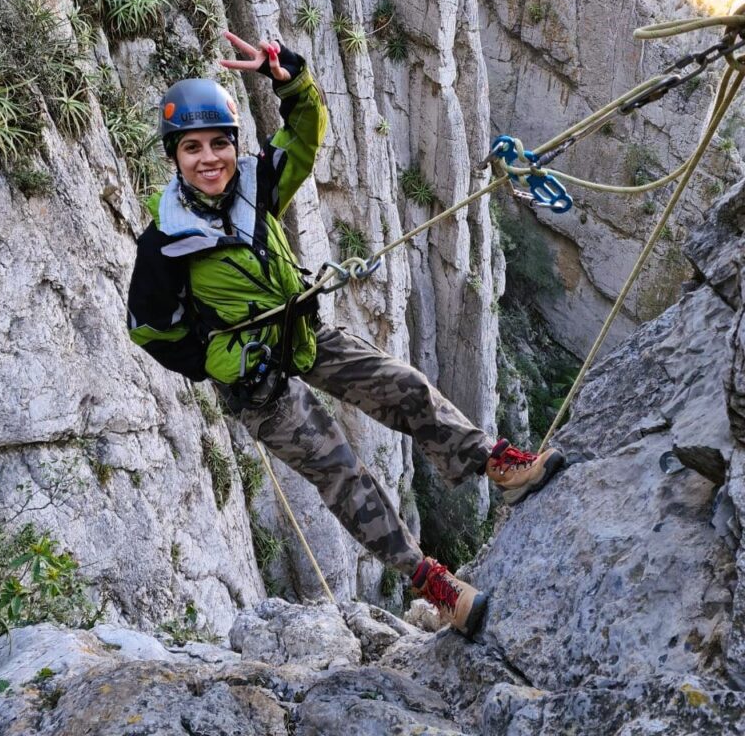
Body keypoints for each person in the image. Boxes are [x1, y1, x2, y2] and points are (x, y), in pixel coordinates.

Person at [127, 32, 565, 637]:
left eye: (220, 143)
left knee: (404, 385)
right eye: (193, 147)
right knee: (344, 473)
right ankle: (434, 585)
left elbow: (304, 133)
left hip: (303, 334)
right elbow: (149, 330)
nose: (209, 159)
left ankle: (496, 464)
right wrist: (221, 362)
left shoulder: (255, 188)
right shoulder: (165, 241)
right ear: (174, 156)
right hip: (258, 384)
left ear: (234, 145)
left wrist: (289, 80)